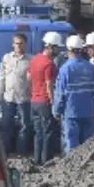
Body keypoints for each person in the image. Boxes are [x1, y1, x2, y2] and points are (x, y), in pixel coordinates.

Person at [53, 35, 94, 153]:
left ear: (68, 50)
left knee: (71, 144)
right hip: (88, 112)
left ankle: (72, 169)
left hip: (71, 113)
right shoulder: (91, 68)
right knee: (89, 145)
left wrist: (57, 110)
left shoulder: (65, 69)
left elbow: (60, 93)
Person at [29, 32, 64, 164]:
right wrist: (54, 103)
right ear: (50, 47)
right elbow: (49, 85)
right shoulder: (49, 64)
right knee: (48, 132)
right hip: (44, 101)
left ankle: (37, 159)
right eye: (57, 48)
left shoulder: (34, 59)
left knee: (38, 132)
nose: (58, 51)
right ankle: (46, 160)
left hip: (34, 101)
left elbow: (28, 78)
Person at [0, 33, 32, 154]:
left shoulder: (30, 60)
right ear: (13, 44)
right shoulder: (6, 58)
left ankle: (21, 150)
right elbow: (1, 76)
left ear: (26, 45)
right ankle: (6, 150)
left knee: (24, 126)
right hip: (8, 97)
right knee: (6, 125)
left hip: (24, 97)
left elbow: (32, 79)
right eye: (17, 43)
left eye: (21, 43)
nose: (19, 46)